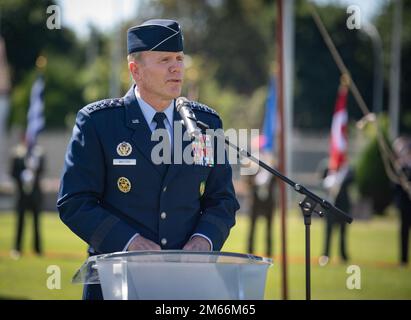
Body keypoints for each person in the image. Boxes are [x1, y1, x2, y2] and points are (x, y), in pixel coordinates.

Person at [57, 19, 240, 300]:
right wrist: (129, 242)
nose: (176, 67)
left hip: (185, 285)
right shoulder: (99, 124)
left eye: (179, 58)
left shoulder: (204, 124)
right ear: (135, 70)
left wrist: (204, 240)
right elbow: (75, 202)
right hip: (117, 283)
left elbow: (222, 199)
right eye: (164, 59)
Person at [10, 140, 45, 259]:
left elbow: (42, 170)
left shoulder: (38, 154)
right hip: (22, 195)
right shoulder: (18, 154)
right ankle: (17, 248)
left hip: (35, 195)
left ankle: (37, 249)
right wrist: (22, 176)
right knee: (20, 222)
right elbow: (13, 172)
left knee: (36, 223)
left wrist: (33, 169)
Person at [320, 164, 353, 264]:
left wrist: (340, 177)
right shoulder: (328, 168)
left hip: (343, 205)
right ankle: (326, 255)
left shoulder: (347, 170)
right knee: (328, 232)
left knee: (343, 233)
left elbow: (352, 180)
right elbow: (322, 180)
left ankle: (343, 255)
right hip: (330, 205)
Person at [393, 136, 411, 266]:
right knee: (404, 232)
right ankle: (403, 259)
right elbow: (394, 185)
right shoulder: (399, 167)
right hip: (405, 205)